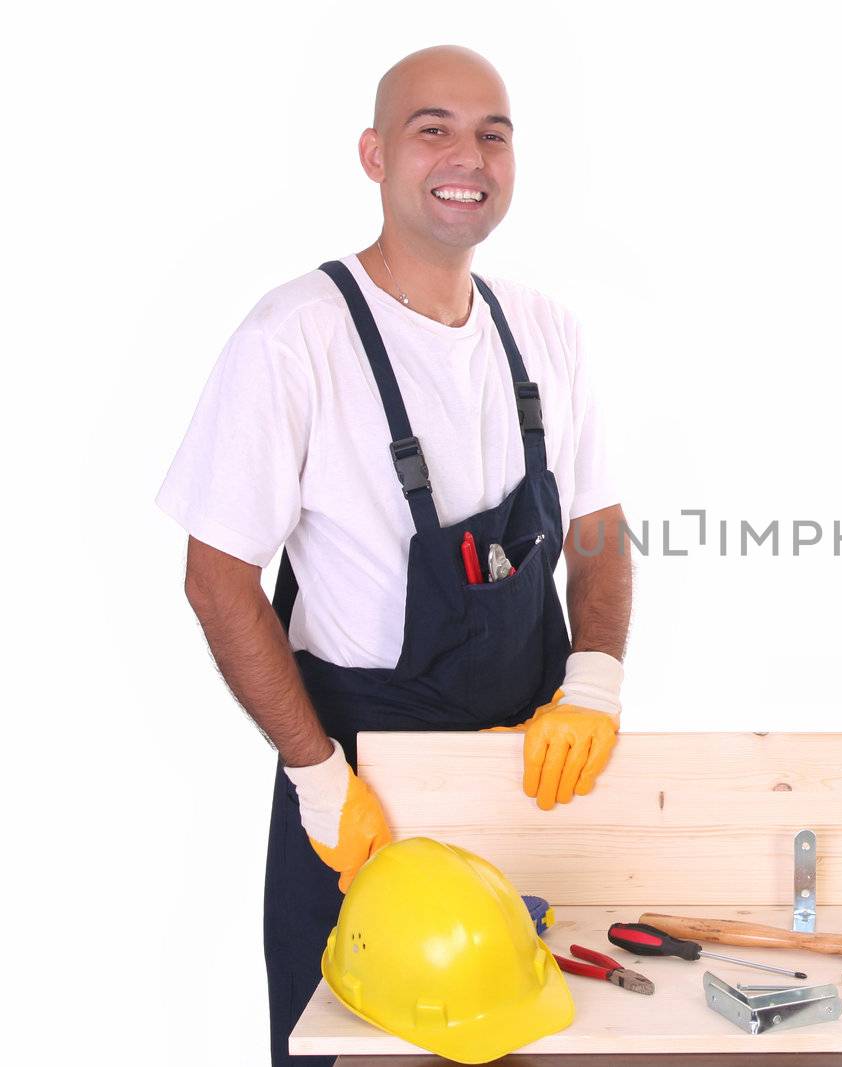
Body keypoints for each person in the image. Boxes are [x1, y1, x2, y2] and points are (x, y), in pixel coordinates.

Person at [157, 46, 633, 1065]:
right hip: (361, 790)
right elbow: (215, 577)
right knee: (350, 1045)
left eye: (492, 133)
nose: (469, 154)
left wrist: (594, 676)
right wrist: (315, 771)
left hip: (526, 778)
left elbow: (596, 525)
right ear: (375, 155)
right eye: (434, 128)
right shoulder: (295, 338)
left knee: (539, 1036)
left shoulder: (547, 332)